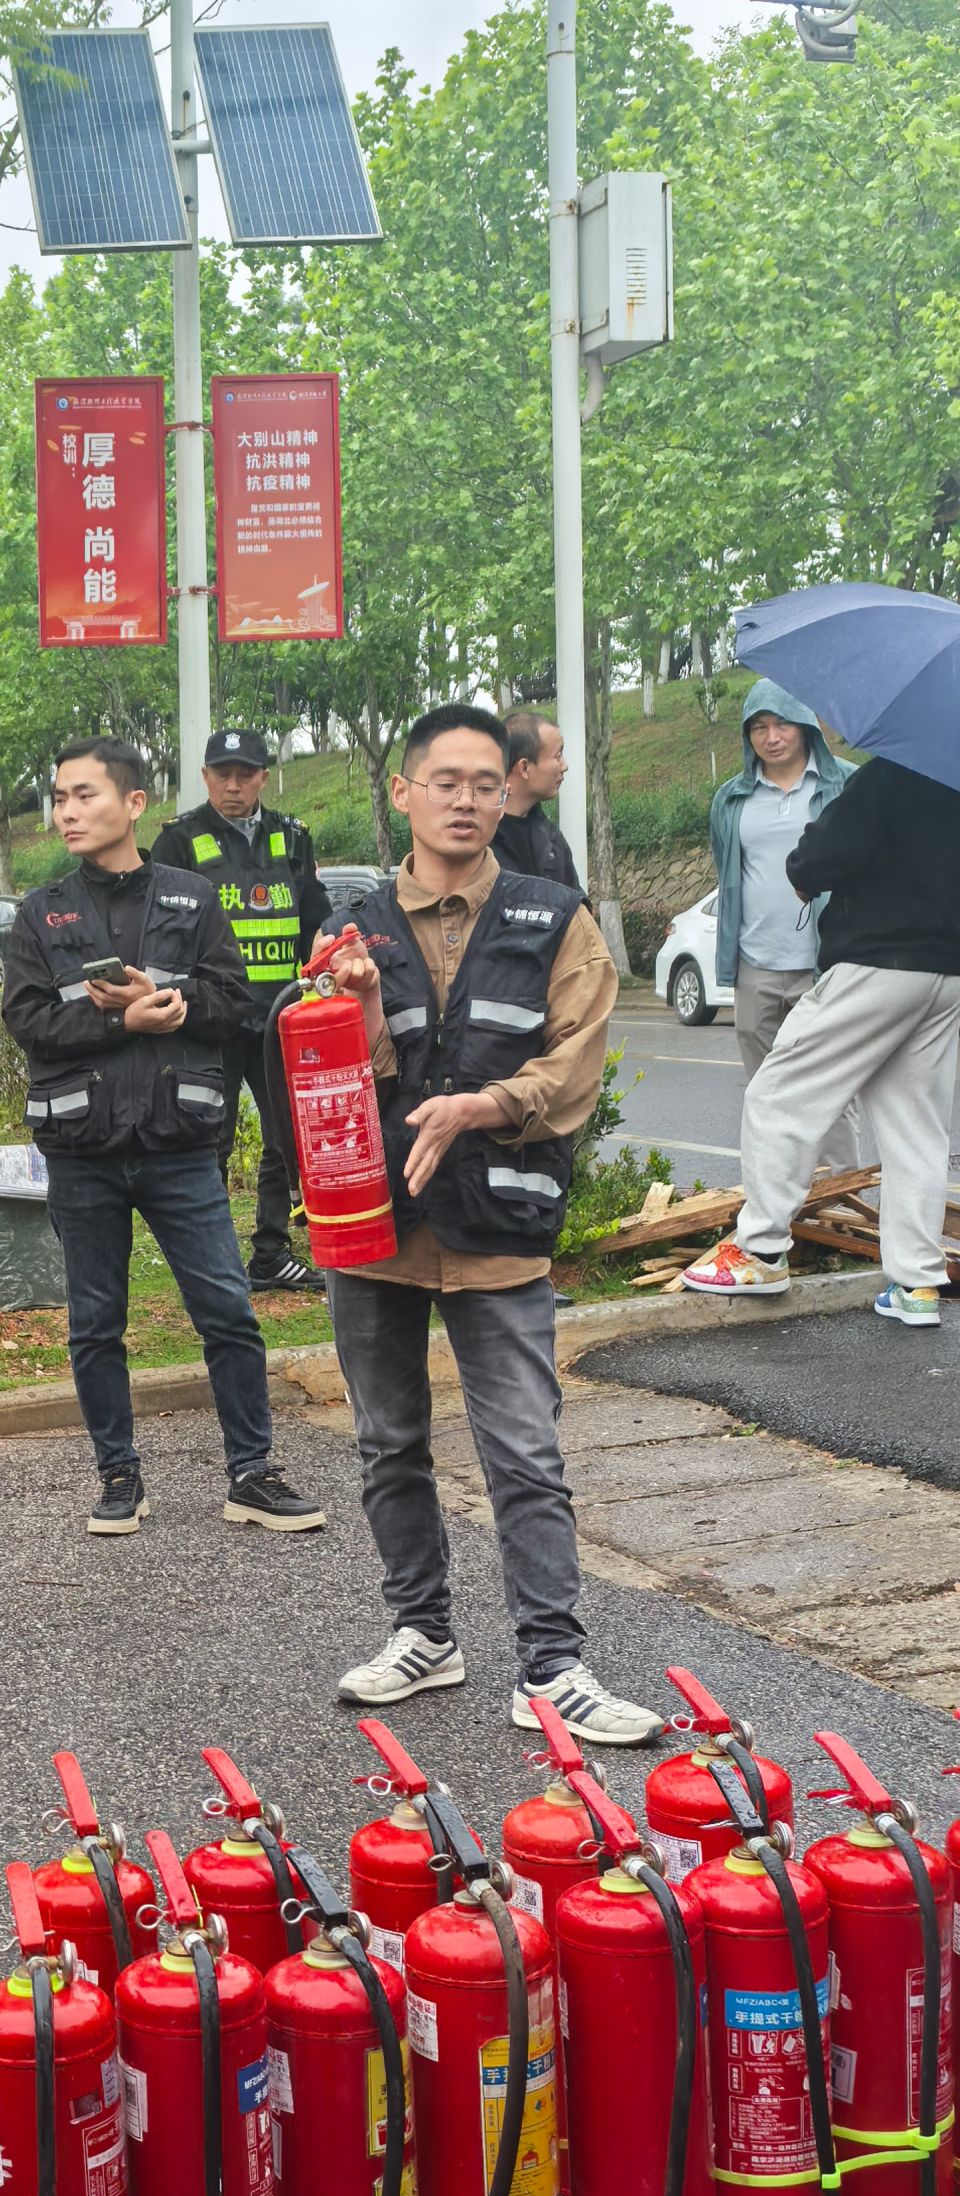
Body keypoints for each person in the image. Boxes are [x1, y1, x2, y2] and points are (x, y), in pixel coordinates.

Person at [317, 702, 659, 1744]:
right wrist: (358, 1004)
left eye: (482, 783)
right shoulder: (355, 926)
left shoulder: (556, 916)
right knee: (386, 1444)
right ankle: (421, 1633)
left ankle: (550, 1665)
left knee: (522, 1452)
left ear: (505, 793)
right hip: (374, 1226)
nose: (464, 799)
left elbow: (573, 1068)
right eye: (444, 780)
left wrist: (484, 1103)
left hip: (499, 1222)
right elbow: (336, 1076)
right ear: (403, 792)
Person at [2, 736, 325, 1539]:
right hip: (84, 1152)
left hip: (181, 1145)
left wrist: (178, 1006)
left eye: (84, 795)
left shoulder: (190, 897)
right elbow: (28, 1020)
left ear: (133, 803)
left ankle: (251, 1473)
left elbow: (235, 1002)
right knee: (95, 1322)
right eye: (60, 797)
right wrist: (118, 1016)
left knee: (227, 1310)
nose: (67, 811)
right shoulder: (41, 913)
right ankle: (119, 1476)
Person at [681, 748, 960, 1327]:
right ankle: (917, 1286)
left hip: (878, 960)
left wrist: (806, 873)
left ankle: (759, 1250)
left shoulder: (895, 768)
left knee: (779, 1092)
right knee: (916, 1125)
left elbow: (818, 855)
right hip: (947, 972)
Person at [148, 725, 332, 1292]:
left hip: (281, 1016)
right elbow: (159, 933)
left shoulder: (293, 837)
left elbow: (314, 919)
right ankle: (211, 1261)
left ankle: (271, 1254)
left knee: (285, 1139)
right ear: (205, 778)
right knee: (211, 1139)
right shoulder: (178, 842)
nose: (233, 786)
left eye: (245, 774)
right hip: (212, 1019)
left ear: (263, 778)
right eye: (222, 775)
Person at [705, 680, 858, 1160]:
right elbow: (727, 871)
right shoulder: (731, 800)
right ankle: (775, 1203)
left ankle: (841, 1204)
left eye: (782, 724)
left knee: (831, 1086)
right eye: (759, 727)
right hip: (756, 963)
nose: (771, 737)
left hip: (829, 964)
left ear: (807, 726)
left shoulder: (846, 784)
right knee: (764, 1090)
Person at [492, 711, 582, 891]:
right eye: (558, 756)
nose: (565, 766)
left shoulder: (551, 839)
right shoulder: (481, 837)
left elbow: (577, 909)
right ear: (524, 767)